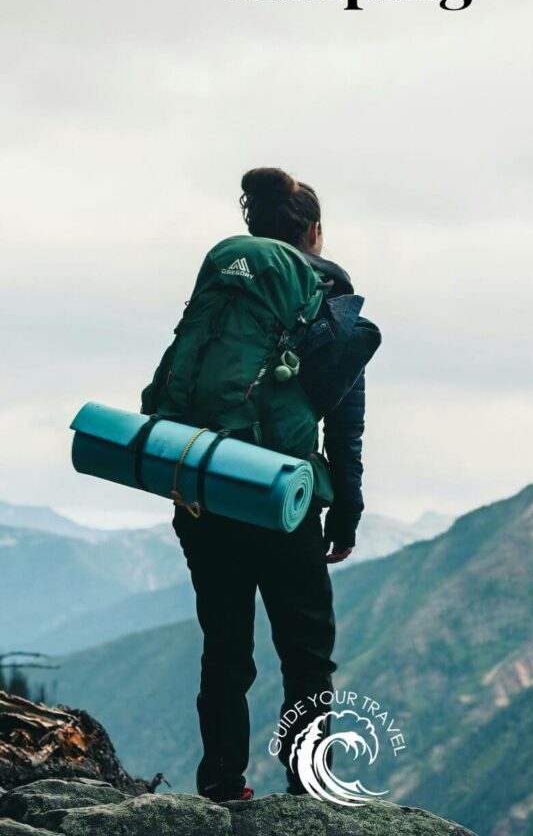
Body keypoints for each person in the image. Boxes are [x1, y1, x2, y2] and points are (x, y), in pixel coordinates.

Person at [160, 167, 379, 802]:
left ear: (254, 226)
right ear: (314, 231)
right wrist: (346, 512)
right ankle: (308, 792)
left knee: (225, 644)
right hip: (276, 494)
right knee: (306, 652)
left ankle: (222, 783)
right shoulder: (327, 294)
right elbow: (345, 420)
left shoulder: (228, 287)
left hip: (201, 479)